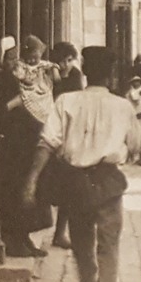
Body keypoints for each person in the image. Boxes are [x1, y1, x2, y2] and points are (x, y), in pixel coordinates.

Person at [23, 46, 141, 282]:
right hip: (109, 182)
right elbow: (136, 147)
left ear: (86, 72)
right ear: (111, 76)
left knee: (82, 245)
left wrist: (31, 181)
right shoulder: (123, 107)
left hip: (76, 183)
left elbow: (47, 143)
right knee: (109, 246)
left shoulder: (66, 101)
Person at [1, 35, 57, 257]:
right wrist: (19, 102)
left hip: (27, 139)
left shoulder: (22, 75)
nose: (13, 62)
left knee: (30, 188)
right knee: (17, 190)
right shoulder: (3, 78)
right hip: (13, 142)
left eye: (15, 58)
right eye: (9, 58)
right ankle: (15, 240)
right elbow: (2, 107)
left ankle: (24, 237)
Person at [48, 43, 85, 251]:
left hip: (66, 133)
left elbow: (73, 103)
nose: (67, 64)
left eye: (70, 60)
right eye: (63, 60)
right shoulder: (47, 72)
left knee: (68, 186)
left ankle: (60, 233)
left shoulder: (75, 76)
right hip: (47, 131)